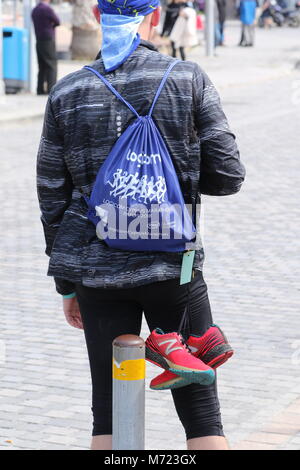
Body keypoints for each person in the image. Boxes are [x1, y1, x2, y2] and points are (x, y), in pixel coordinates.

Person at [37, 0, 245, 451]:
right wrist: (177, 177)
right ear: (153, 17)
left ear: (97, 16)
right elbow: (228, 176)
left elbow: (51, 195)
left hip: (96, 274)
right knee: (201, 412)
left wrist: (67, 286)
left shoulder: (67, 93)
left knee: (107, 411)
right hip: (176, 269)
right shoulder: (187, 79)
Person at [32, 0, 60, 95]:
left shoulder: (35, 10)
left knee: (42, 66)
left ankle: (40, 90)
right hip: (48, 39)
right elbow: (57, 21)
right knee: (52, 65)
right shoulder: (47, 9)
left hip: (39, 40)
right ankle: (51, 89)